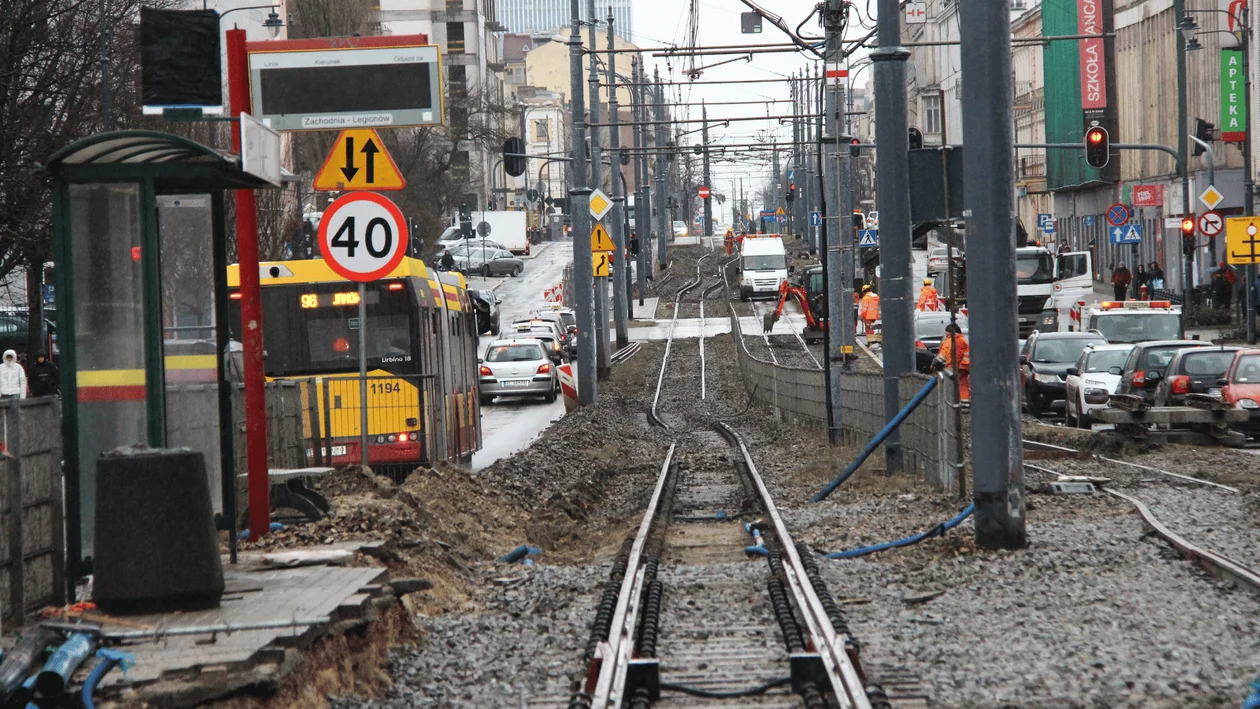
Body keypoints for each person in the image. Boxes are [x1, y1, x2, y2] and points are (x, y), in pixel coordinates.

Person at [935, 323, 970, 402]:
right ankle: (963, 402)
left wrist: (935, 364)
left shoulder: (955, 341)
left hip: (956, 369)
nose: (946, 337)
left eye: (947, 334)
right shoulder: (961, 340)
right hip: (963, 368)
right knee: (962, 386)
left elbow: (951, 356)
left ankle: (960, 403)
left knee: (956, 387)